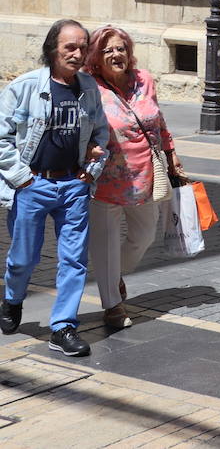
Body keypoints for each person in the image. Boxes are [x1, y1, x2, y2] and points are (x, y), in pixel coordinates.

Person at [0, 19, 110, 357]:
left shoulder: (88, 87)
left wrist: (91, 169)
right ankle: (12, 298)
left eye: (82, 47)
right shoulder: (25, 87)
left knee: (74, 260)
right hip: (33, 184)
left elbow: (101, 134)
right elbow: (2, 138)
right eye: (69, 47)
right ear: (53, 49)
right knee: (23, 259)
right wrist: (22, 179)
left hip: (73, 185)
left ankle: (63, 327)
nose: (77, 54)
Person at [84, 25, 185, 331]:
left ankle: (112, 276)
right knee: (106, 244)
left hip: (144, 175)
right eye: (108, 50)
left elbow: (158, 119)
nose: (117, 54)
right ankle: (113, 305)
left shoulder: (144, 81)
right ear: (96, 58)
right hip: (104, 180)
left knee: (144, 236)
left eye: (121, 48)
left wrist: (171, 153)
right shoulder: (88, 86)